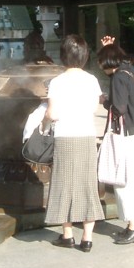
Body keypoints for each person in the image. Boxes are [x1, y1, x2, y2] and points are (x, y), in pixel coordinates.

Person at [43, 34, 105, 253]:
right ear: (85, 56)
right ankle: (87, 238)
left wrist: (43, 122)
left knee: (64, 184)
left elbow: (52, 113)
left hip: (65, 136)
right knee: (87, 184)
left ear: (62, 56)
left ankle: (67, 234)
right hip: (87, 135)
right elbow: (95, 109)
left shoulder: (57, 82)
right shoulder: (92, 80)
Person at [97, 36, 134, 244]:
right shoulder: (129, 70)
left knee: (125, 180)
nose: (101, 67)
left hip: (128, 133)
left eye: (101, 63)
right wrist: (108, 48)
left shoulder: (119, 77)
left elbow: (118, 108)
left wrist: (104, 102)